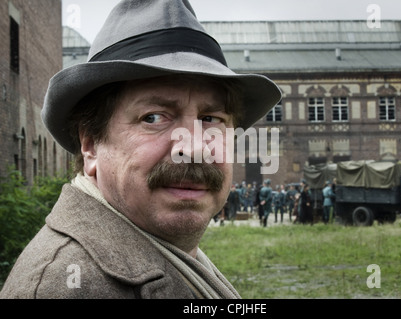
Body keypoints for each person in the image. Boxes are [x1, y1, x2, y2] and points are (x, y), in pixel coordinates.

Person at [0, 0, 281, 299]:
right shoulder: (65, 287)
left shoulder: (166, 256)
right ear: (91, 145)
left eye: (211, 119)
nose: (194, 147)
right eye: (154, 117)